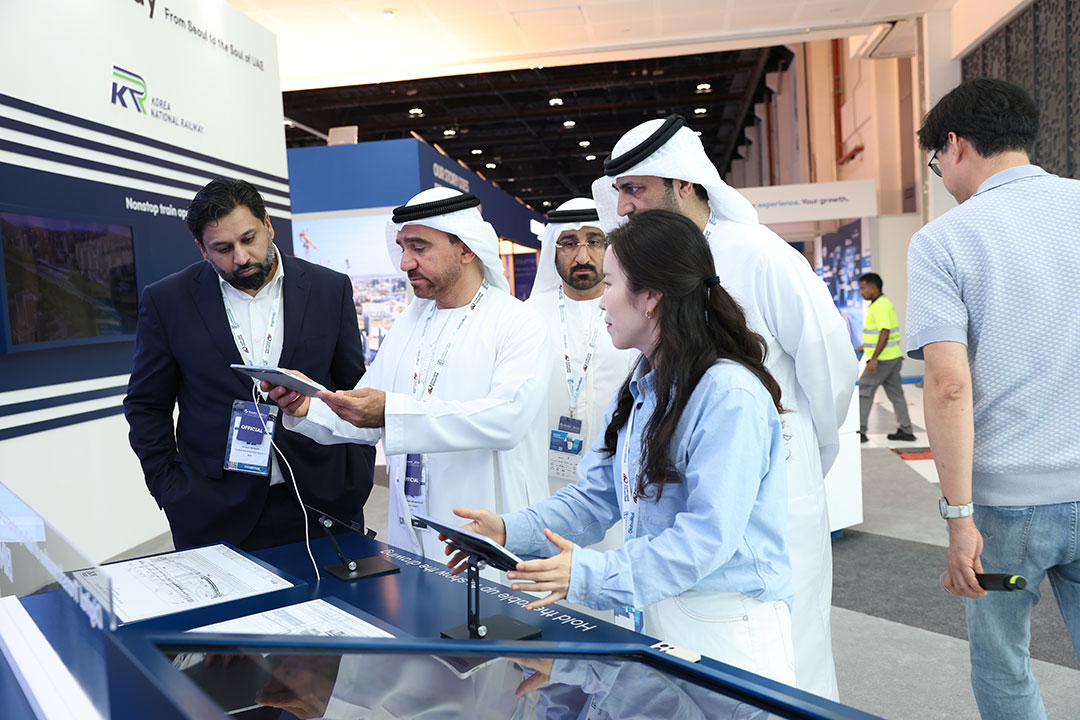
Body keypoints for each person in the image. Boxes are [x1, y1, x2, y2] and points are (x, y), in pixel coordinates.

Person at [447, 210, 795, 685]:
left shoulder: (727, 394)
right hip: (653, 614)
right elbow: (595, 497)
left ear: (651, 298)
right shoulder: (644, 384)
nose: (602, 301)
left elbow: (706, 538)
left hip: (724, 627)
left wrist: (588, 575)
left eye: (610, 284)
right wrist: (508, 530)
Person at [591, 114, 856, 700]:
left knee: (791, 661)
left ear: (684, 183)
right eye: (619, 192)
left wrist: (798, 457)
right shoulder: (640, 268)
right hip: (681, 510)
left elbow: (831, 368)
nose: (623, 206)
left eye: (635, 189)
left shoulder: (761, 255)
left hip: (774, 499)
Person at [907, 78, 1080, 719]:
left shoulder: (944, 239)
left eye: (936, 162)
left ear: (954, 144)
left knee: (1005, 664)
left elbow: (949, 384)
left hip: (1006, 509)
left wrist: (958, 519)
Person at [267, 188, 551, 562]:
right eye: (402, 247)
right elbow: (367, 413)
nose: (404, 263)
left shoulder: (518, 322)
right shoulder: (409, 322)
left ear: (467, 249)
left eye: (419, 248)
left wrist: (391, 412)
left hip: (483, 530)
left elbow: (506, 421)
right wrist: (309, 406)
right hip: (409, 529)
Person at [123, 178, 375, 551]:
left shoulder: (329, 288)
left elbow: (353, 387)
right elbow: (146, 404)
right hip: (212, 508)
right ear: (202, 249)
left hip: (325, 498)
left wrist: (357, 472)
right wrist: (170, 488)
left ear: (268, 224)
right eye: (222, 248)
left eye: (248, 239)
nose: (240, 258)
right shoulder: (168, 301)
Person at [525, 198, 635, 504]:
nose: (582, 256)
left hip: (619, 478)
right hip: (545, 480)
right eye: (569, 243)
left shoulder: (637, 312)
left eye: (594, 241)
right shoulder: (527, 316)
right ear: (553, 250)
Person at [857, 272, 914, 443]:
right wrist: (865, 346)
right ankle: (906, 430)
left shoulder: (880, 306)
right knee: (896, 394)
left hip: (883, 360)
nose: (861, 292)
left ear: (873, 287)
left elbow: (885, 332)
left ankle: (860, 431)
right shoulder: (881, 304)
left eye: (863, 288)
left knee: (864, 391)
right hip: (892, 357)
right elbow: (880, 333)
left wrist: (874, 358)